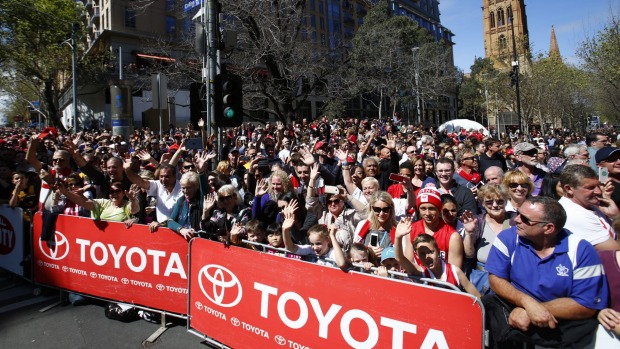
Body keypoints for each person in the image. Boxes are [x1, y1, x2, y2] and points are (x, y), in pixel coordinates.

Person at [482, 196, 608, 349]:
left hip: (560, 329)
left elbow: (586, 304)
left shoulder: (581, 251)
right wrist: (526, 302)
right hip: (514, 321)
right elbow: (495, 278)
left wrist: (532, 310)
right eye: (518, 213)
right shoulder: (508, 238)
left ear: (548, 228)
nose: (516, 220)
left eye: (525, 219)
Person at [393, 218, 480, 296]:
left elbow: (477, 297)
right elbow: (400, 259)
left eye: (430, 252)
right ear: (417, 256)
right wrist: (398, 237)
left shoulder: (454, 271)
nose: (427, 257)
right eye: (422, 254)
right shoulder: (421, 272)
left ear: (438, 251)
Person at [559, 165, 618, 251]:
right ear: (569, 189)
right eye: (590, 188)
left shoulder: (592, 204)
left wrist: (616, 216)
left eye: (598, 185)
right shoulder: (573, 214)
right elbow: (614, 249)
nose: (598, 191)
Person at [401, 187, 464, 269]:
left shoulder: (453, 236)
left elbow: (454, 274)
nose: (427, 213)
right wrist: (398, 237)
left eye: (431, 208)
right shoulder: (412, 229)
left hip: (441, 280)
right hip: (418, 278)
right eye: (423, 208)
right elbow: (409, 265)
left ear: (439, 210)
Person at [282, 202, 335, 267]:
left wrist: (332, 235)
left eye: (318, 243)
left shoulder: (333, 253)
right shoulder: (310, 249)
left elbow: (342, 263)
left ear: (327, 240)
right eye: (312, 244)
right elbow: (290, 247)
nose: (315, 247)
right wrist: (285, 229)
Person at [353, 191, 398, 257]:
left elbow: (403, 254)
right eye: (377, 209)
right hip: (367, 265)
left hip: (389, 265)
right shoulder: (363, 225)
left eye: (385, 209)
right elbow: (355, 249)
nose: (381, 213)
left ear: (391, 209)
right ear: (372, 208)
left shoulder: (397, 229)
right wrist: (369, 251)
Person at [167, 171, 207, 240]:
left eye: (188, 188)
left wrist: (201, 172)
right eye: (183, 188)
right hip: (182, 241)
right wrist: (181, 230)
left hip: (198, 241)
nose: (185, 191)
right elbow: (170, 221)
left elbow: (205, 192)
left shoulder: (201, 200)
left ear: (196, 187)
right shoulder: (181, 200)